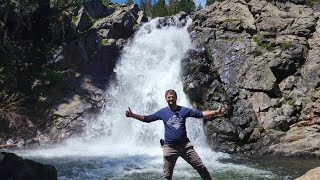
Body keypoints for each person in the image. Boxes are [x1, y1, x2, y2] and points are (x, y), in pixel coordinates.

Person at [125, 89, 224, 180]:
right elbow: (148, 119)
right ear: (166, 99)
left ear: (176, 98)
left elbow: (200, 114)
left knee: (201, 167)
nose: (171, 99)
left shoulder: (184, 110)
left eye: (172, 97)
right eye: (168, 97)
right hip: (169, 148)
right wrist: (132, 115)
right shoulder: (162, 112)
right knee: (167, 176)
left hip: (186, 147)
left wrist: (216, 112)